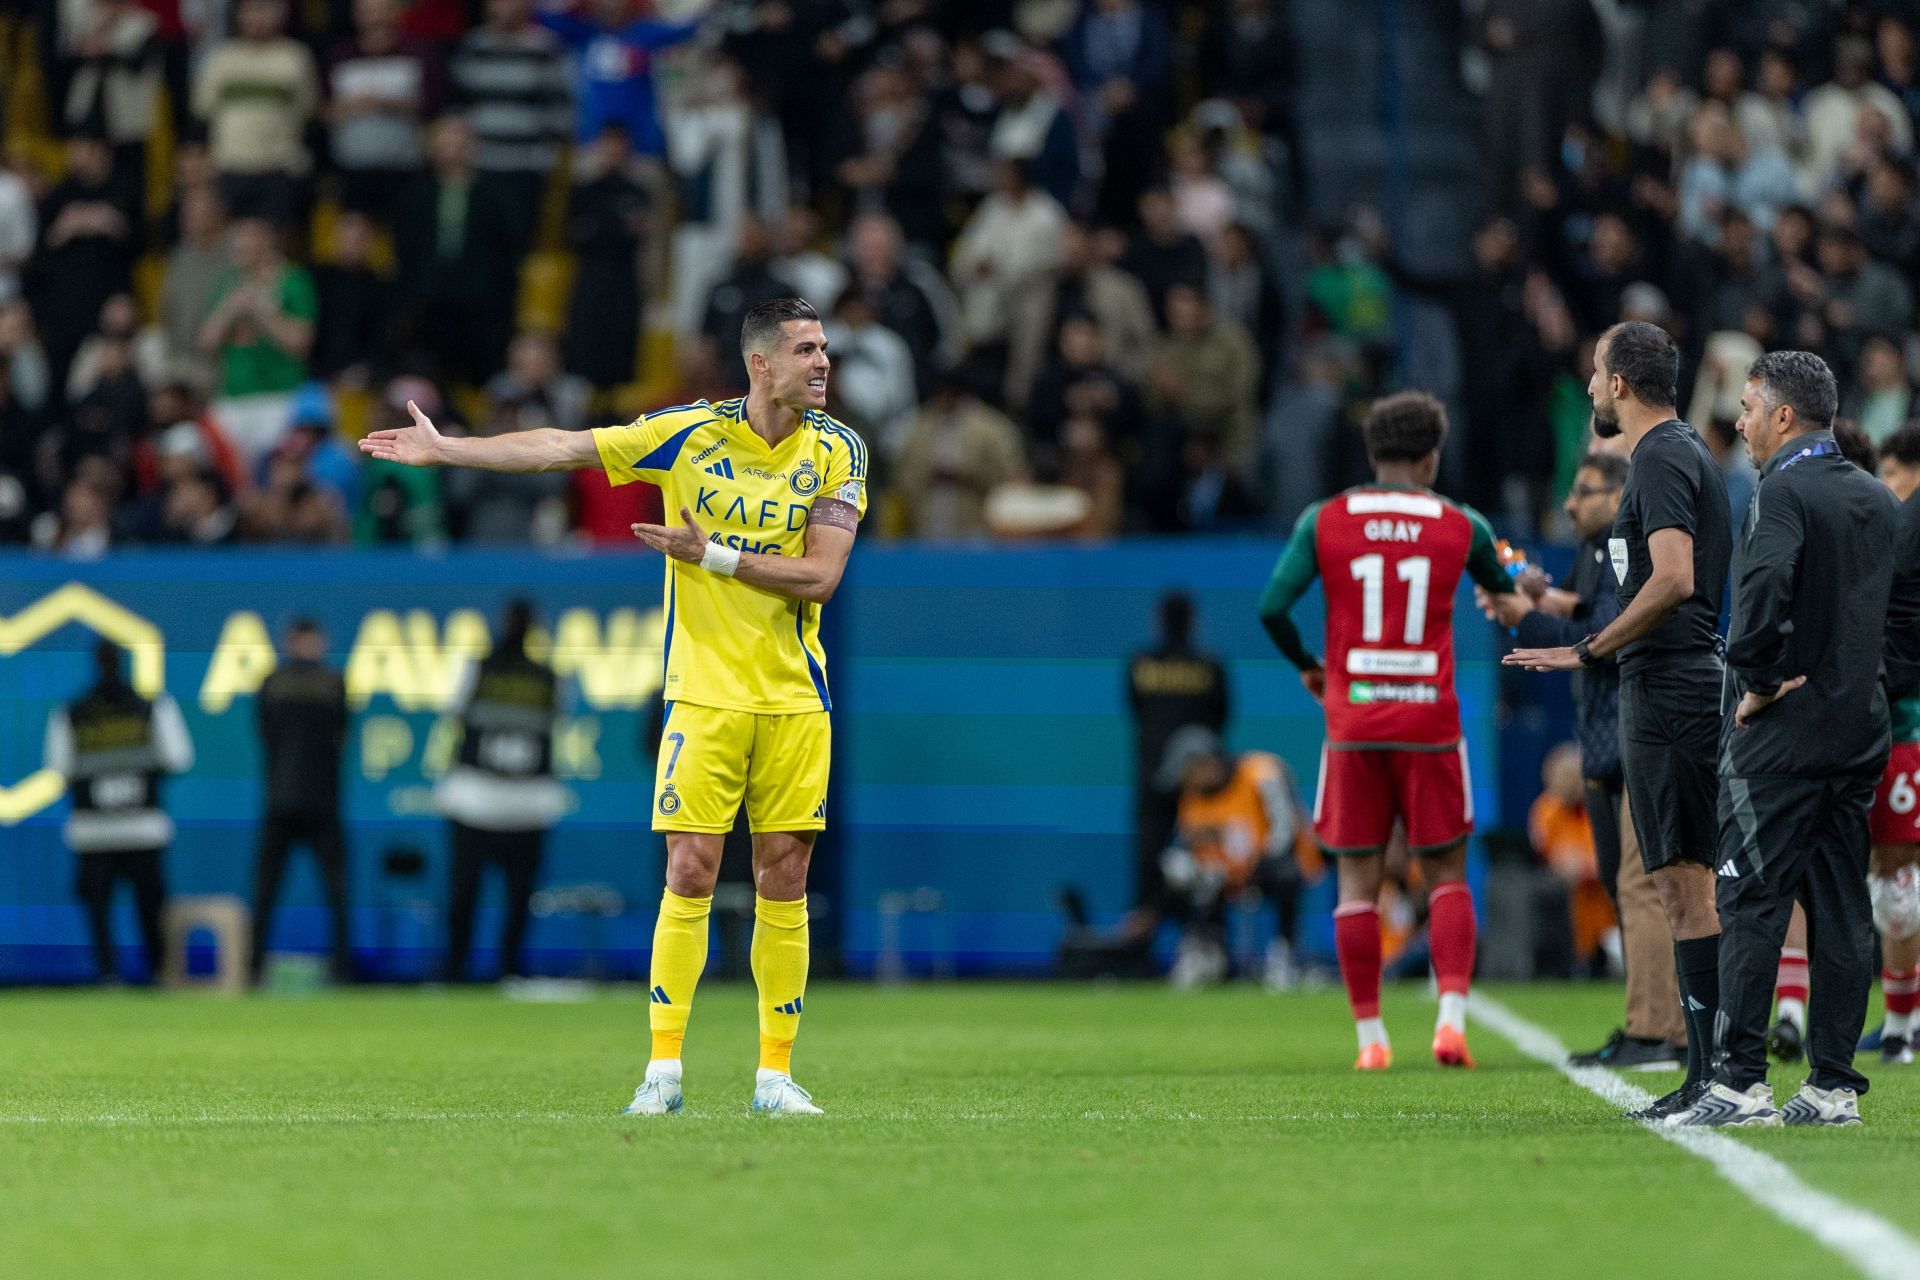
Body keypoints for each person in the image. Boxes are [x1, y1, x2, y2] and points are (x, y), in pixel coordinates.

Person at [359, 296, 864, 1116]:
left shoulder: (840, 451)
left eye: (825, 349)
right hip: (703, 694)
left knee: (786, 877)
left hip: (794, 697)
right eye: (807, 349)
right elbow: (562, 447)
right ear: (760, 362)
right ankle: (663, 1071)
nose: (823, 363)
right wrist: (451, 449)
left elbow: (820, 576)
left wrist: (714, 556)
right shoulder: (688, 435)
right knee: (691, 869)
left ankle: (775, 1075)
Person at [1665, 351, 1920, 1128]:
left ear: (1783, 415)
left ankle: (1740, 1080)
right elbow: (1909, 617)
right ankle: (1833, 1084)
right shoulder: (1879, 498)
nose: (1737, 422)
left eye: (1746, 407)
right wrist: (1870, 685)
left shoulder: (1780, 491)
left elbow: (1764, 595)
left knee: (1749, 896)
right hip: (1859, 732)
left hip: (1781, 735)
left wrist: (1763, 681)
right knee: (1843, 903)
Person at [1506, 321, 1734, 1122]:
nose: (1592, 388)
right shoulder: (1668, 455)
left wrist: (1589, 647)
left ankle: (1722, 1079)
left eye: (1598, 375)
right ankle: (1712, 1076)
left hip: (1670, 685)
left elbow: (1673, 578)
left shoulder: (1664, 455)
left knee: (1684, 888)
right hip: (1663, 684)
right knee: (1678, 887)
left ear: (1621, 385)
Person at [1258, 391, 1517, 1070]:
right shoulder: (1461, 523)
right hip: (1428, 720)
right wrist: (1519, 581)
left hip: (1355, 719)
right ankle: (1451, 1019)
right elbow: (1508, 592)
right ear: (1432, 458)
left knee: (1356, 885)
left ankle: (1371, 1040)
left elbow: (1272, 607)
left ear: (1372, 455)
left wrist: (1311, 667)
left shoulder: (1325, 519)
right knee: (1446, 877)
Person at [1480, 452, 1685, 1069]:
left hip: (1635, 729)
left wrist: (1531, 617)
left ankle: (1658, 1029)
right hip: (1609, 734)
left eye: (1586, 491)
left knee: (1642, 884)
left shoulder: (1627, 542)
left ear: (1619, 494)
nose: (1570, 504)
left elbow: (1607, 634)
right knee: (1633, 886)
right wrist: (1545, 601)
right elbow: (1590, 613)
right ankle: (1652, 1024)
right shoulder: (1598, 551)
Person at [43, 640, 195, 983]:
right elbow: (179, 758)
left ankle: (108, 974)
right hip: (142, 827)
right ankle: (156, 973)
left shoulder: (73, 711)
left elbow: (58, 767)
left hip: (93, 830)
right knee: (148, 907)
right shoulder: (150, 706)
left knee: (99, 909)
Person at [436, 600, 563, 983]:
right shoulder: (547, 678)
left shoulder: (480, 670)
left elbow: (453, 712)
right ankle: (502, 969)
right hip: (514, 800)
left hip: (482, 797)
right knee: (509, 896)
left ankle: (463, 969)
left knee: (473, 894)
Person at [1155, 726, 1317, 990]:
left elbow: (1284, 831)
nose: (1183, 782)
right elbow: (1185, 843)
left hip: (1270, 865)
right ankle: (1206, 953)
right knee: (1179, 878)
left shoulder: (1260, 773)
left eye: (1186, 773)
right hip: (1222, 874)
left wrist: (1247, 868)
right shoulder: (1192, 798)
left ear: (1204, 764)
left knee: (1286, 875)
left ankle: (1284, 957)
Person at [251, 618, 351, 983]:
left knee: (335, 892)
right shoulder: (290, 683)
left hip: (309, 802)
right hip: (293, 802)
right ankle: (253, 967)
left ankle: (342, 969)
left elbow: (263, 732)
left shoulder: (282, 683)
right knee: (267, 891)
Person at [1126, 592, 1228, 922]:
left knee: (1150, 862)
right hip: (1200, 786)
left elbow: (1135, 710)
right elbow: (1220, 717)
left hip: (1151, 779)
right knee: (1207, 858)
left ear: (1158, 620)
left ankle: (1145, 944)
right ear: (1193, 621)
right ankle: (1208, 938)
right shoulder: (1210, 666)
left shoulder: (1141, 664)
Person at [1870, 425, 1920, 1065]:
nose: (1885, 489)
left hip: (1904, 727)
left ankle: (1903, 1026)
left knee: (1897, 881)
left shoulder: (1907, 530)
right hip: (1893, 726)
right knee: (1892, 883)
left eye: (1893, 476)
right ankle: (1901, 1022)